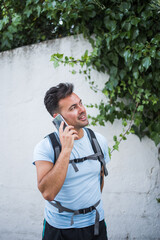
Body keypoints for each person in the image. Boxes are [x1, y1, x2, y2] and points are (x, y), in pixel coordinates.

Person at [33, 83, 110, 240]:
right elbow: (48, 193)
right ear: (58, 118)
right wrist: (66, 150)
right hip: (59, 229)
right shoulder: (45, 147)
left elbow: (99, 178)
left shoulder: (98, 140)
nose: (82, 109)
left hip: (95, 225)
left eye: (80, 103)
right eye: (73, 107)